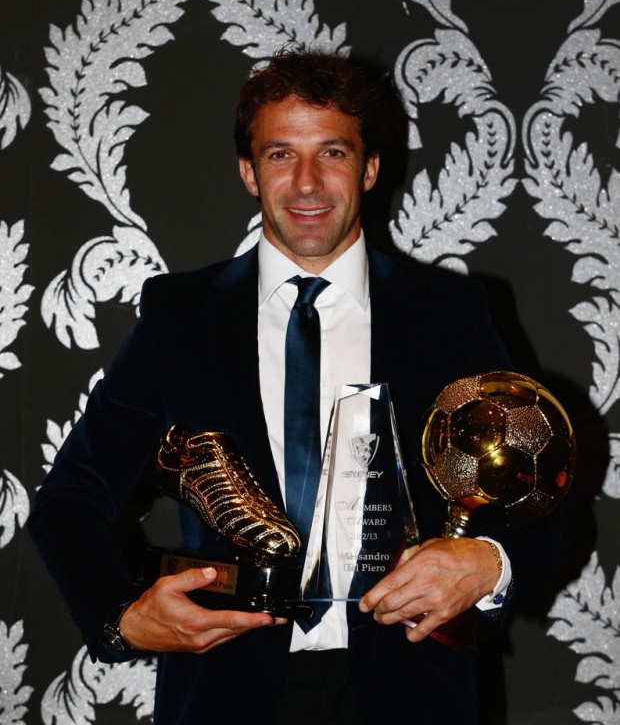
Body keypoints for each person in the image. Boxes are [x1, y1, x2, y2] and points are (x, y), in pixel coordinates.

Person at [28, 48, 556, 724]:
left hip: (411, 691)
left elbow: (539, 502)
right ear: (248, 172)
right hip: (225, 692)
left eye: (332, 153)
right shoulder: (180, 317)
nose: (307, 183)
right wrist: (119, 619)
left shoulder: (450, 314)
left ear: (369, 168)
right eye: (281, 155)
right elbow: (70, 498)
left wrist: (488, 564)